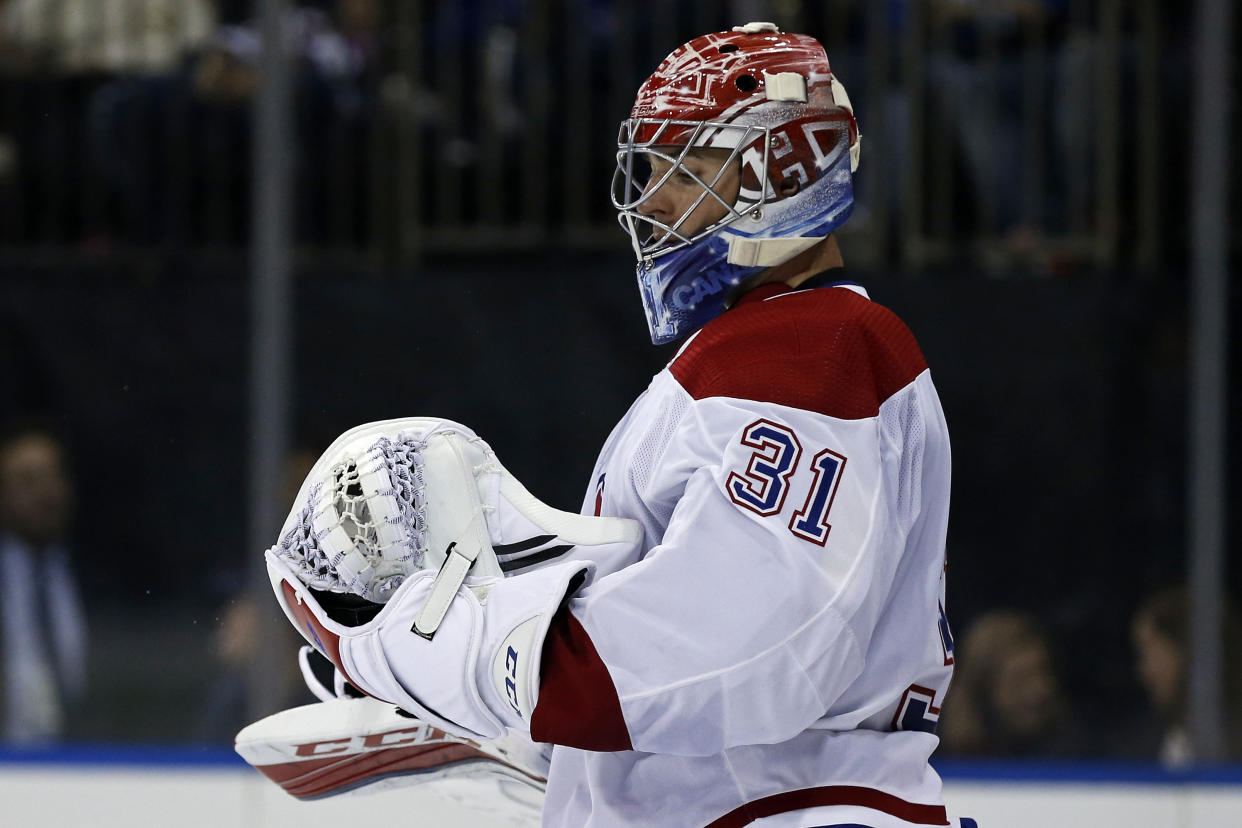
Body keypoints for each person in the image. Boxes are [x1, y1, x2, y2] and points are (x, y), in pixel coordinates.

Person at [265, 22, 968, 828]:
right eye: (653, 169)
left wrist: (415, 647)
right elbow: (680, 657)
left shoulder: (809, 348)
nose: (655, 200)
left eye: (689, 169)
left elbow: (738, 652)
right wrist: (514, 730)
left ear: (787, 168)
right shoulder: (749, 354)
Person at [0, 421, 88, 744]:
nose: (44, 493)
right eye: (27, 481)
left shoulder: (97, 576)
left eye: (53, 477)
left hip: (83, 760)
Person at [937, 610, 1084, 757]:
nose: (1040, 691)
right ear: (983, 687)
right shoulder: (933, 757)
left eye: (1045, 673)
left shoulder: (1079, 750)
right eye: (1020, 680)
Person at [1131, 586, 1242, 766]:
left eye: (1149, 653)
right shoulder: (1162, 742)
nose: (1144, 671)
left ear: (1185, 653)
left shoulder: (1229, 750)